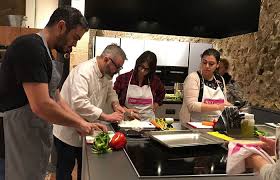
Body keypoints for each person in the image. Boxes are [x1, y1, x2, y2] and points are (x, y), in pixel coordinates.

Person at [0, 7, 107, 180]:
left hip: (33, 135)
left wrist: (81, 122)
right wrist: (79, 124)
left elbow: (56, 98)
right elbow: (41, 105)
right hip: (15, 136)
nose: (75, 44)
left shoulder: (48, 53)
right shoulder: (30, 47)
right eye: (75, 37)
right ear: (62, 26)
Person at [53, 44, 126, 180]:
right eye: (117, 67)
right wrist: (106, 116)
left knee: (85, 169)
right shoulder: (84, 71)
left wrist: (116, 105)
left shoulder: (106, 74)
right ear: (106, 59)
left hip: (87, 128)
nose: (117, 71)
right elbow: (79, 103)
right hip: (67, 130)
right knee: (64, 171)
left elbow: (111, 92)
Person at [179, 48, 231, 123]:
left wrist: (231, 107)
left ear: (217, 65)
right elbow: (192, 105)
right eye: (204, 62)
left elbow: (223, 102)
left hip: (215, 123)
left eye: (211, 64)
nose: (207, 66)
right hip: (195, 124)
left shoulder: (220, 79)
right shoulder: (193, 78)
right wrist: (218, 106)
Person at [113, 51, 165, 121]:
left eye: (147, 69)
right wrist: (126, 111)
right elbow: (114, 100)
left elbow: (162, 93)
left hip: (148, 122)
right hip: (127, 121)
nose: (142, 71)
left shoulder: (154, 81)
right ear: (138, 64)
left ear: (151, 70)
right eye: (141, 67)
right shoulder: (123, 79)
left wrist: (156, 104)